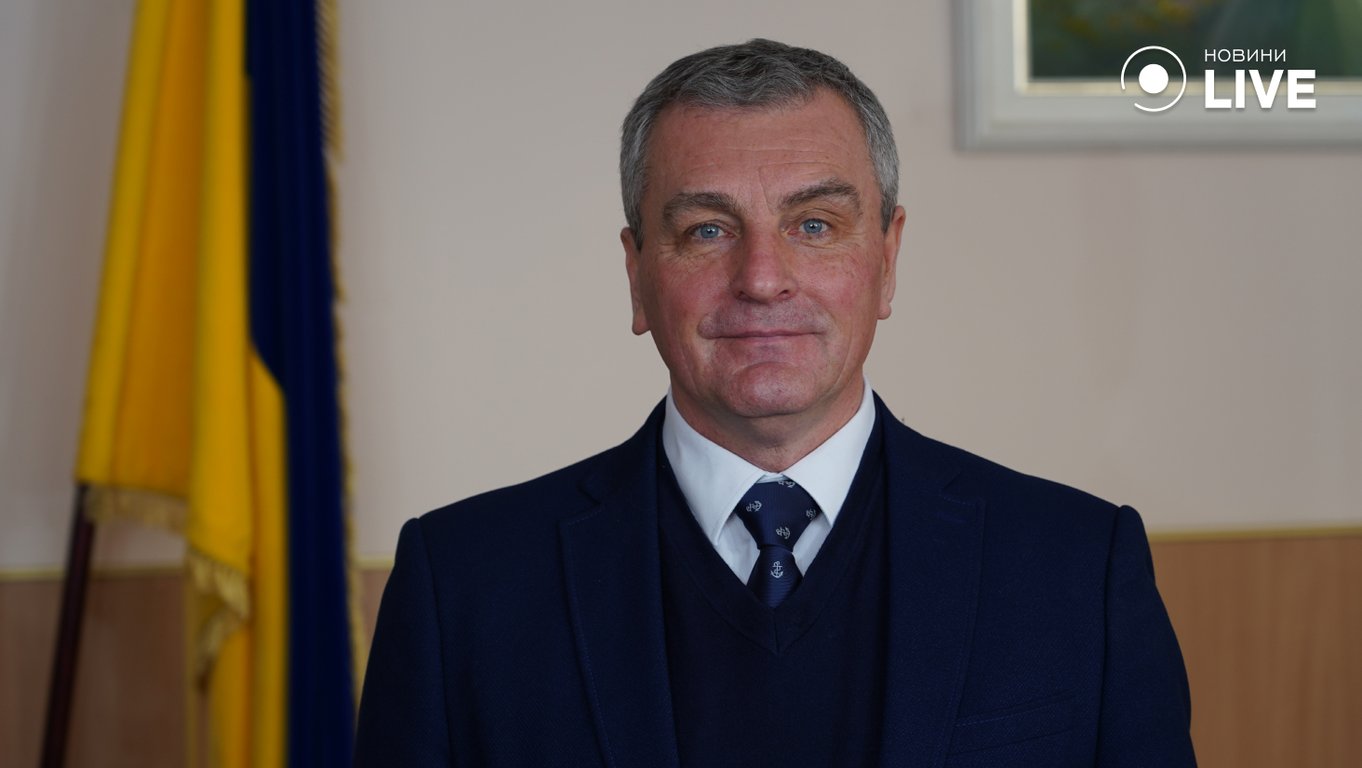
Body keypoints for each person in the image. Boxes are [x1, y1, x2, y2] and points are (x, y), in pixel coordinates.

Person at [354, 39, 1196, 767]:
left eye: (814, 225)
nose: (761, 280)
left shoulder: (1076, 568)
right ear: (637, 274)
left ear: (888, 260)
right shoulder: (462, 587)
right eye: (707, 230)